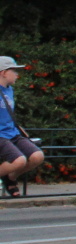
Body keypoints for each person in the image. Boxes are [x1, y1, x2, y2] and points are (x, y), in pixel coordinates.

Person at [0, 56, 43, 197]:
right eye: (14, 71)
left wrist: (18, 127)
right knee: (19, 160)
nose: (17, 75)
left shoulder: (9, 90)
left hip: (12, 132)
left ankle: (10, 177)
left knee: (37, 156)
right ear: (3, 72)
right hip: (0, 135)